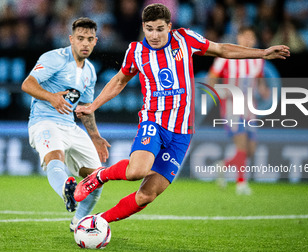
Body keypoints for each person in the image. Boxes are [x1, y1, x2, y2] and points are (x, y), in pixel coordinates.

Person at [74, 4, 289, 223]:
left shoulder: (184, 39)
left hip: (182, 132)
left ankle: (97, 222)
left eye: (160, 29)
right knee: (136, 171)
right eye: (149, 29)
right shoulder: (136, 51)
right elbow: (120, 80)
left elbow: (221, 49)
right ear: (143, 27)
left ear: (169, 26)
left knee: (147, 194)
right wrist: (93, 106)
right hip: (154, 121)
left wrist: (262, 53)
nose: (154, 35)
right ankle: (99, 176)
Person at [21, 17, 110, 231]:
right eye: (80, 38)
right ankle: (65, 188)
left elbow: (86, 108)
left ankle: (77, 222)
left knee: (96, 178)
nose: (85, 44)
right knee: (55, 156)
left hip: (70, 126)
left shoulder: (90, 71)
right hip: (43, 121)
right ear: (71, 39)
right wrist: (51, 97)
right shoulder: (54, 58)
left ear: (95, 41)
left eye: (89, 39)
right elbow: (27, 84)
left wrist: (95, 136)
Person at [208, 26, 272, 194]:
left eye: (251, 37)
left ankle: (223, 166)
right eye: (245, 37)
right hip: (231, 107)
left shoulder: (258, 60)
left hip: (250, 108)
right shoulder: (225, 57)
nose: (248, 40)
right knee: (242, 144)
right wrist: (222, 91)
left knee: (251, 150)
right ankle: (241, 184)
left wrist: (264, 91)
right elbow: (212, 79)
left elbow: (260, 82)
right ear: (239, 38)